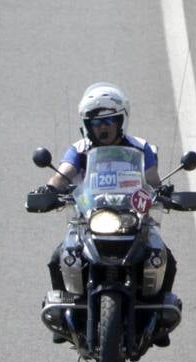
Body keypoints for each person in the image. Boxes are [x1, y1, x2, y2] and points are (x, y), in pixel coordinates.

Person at [35, 82, 178, 344]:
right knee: (60, 256)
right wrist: (48, 190)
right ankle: (66, 312)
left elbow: (152, 180)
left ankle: (157, 317)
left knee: (163, 256)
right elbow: (64, 173)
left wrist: (165, 193)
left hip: (134, 220)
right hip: (88, 220)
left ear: (121, 120)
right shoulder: (79, 149)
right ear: (86, 124)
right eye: (95, 122)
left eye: (109, 120)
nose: (102, 127)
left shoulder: (142, 147)